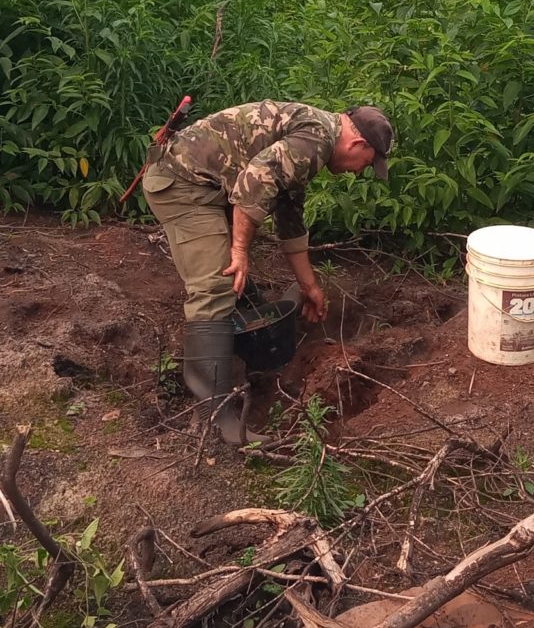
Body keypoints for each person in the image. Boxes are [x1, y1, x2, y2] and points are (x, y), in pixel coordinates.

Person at [142, 100, 393, 443]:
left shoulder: (314, 138)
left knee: (240, 288)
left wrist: (309, 285)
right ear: (358, 144)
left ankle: (251, 364)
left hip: (207, 185)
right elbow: (256, 179)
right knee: (217, 283)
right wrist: (240, 249)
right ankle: (217, 418)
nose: (360, 171)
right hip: (182, 182)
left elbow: (289, 217)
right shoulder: (317, 139)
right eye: (367, 163)